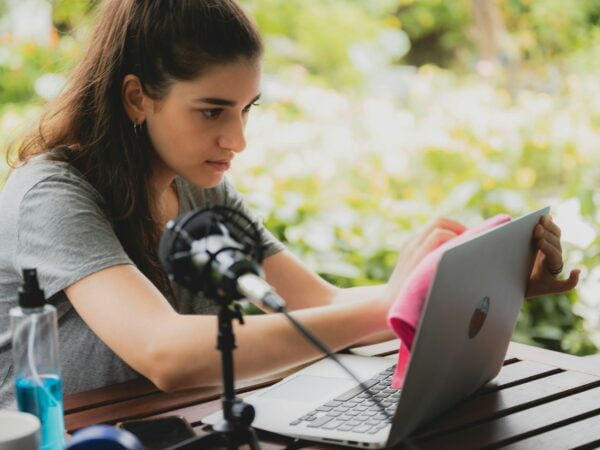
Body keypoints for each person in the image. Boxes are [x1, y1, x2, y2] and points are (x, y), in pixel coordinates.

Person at [0, 0, 580, 407]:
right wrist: (391, 306)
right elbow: (165, 353)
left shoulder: (200, 186)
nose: (238, 139)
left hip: (173, 425)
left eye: (246, 108)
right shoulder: (52, 193)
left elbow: (320, 304)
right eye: (212, 111)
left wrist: (480, 279)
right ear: (137, 97)